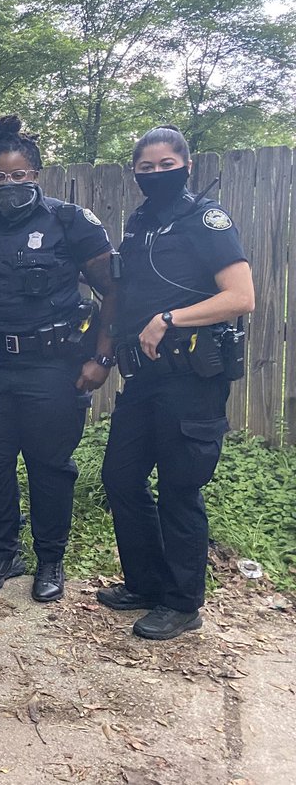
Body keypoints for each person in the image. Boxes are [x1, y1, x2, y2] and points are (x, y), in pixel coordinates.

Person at [0, 115, 117, 603]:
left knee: (49, 464)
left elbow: (114, 290)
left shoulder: (71, 221)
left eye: (20, 175)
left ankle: (50, 560)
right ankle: (1, 554)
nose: (10, 185)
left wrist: (102, 358)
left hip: (53, 366)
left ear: (37, 174)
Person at [99, 125, 253, 640]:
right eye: (146, 168)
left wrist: (171, 317)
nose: (156, 174)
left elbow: (240, 297)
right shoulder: (140, 224)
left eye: (167, 165)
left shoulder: (206, 221)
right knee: (121, 478)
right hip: (143, 380)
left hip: (191, 379)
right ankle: (144, 584)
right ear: (135, 174)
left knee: (180, 491)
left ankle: (183, 603)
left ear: (187, 166)